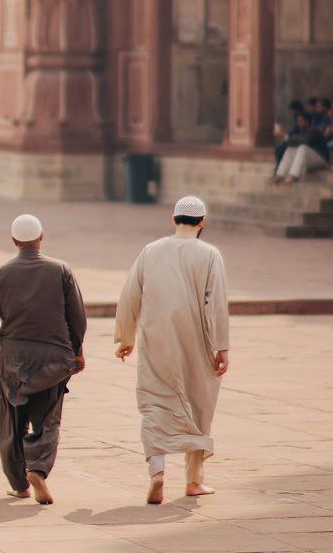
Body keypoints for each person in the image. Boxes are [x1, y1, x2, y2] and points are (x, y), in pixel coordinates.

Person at [115, 195, 229, 505]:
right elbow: (215, 303)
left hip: (156, 338)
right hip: (197, 340)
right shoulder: (209, 254)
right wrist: (222, 346)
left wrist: (125, 336)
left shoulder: (151, 251)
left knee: (154, 402)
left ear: (173, 219)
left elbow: (130, 295)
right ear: (202, 222)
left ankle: (157, 471)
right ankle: (194, 480)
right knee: (199, 403)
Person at [0, 214, 87, 504]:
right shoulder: (61, 270)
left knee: (11, 422)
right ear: (41, 238)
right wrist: (77, 350)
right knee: (48, 420)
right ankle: (37, 467)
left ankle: (20, 484)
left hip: (13, 360)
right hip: (53, 359)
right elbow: (77, 317)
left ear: (14, 241)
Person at [272, 111, 330, 185]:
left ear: (307, 122)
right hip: (309, 163)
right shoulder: (302, 131)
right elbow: (292, 142)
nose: (298, 123)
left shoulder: (314, 130)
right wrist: (284, 136)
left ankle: (293, 175)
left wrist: (284, 135)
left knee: (303, 148)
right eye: (297, 121)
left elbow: (303, 140)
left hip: (321, 161)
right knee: (290, 149)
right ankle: (280, 174)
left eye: (300, 121)